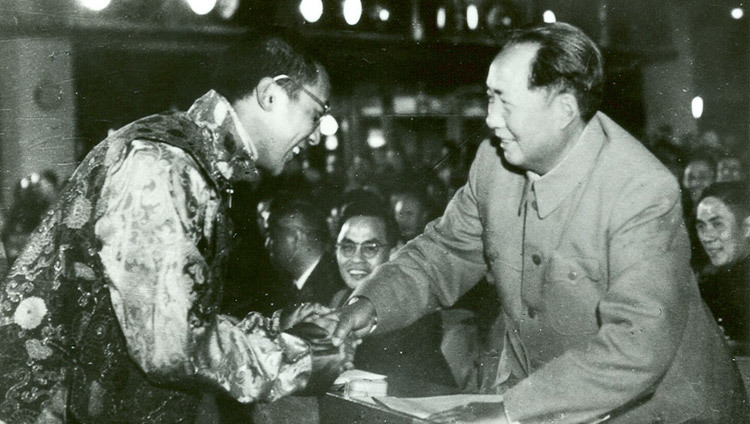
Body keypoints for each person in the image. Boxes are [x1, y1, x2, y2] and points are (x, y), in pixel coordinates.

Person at [331, 22, 748, 424]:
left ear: (564, 108)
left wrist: (512, 410)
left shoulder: (641, 189)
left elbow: (636, 342)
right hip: (548, 406)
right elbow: (443, 252)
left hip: (665, 412)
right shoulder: (493, 164)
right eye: (489, 98)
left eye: (503, 101)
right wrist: (367, 306)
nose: (490, 119)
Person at [0, 26, 353, 424]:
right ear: (271, 94)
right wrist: (300, 357)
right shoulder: (163, 164)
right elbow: (170, 346)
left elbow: (165, 310)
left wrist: (275, 330)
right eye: (316, 113)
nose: (315, 135)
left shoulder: (192, 161)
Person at [331, 195, 455, 388]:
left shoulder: (412, 314)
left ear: (395, 252)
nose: (356, 259)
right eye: (347, 247)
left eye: (370, 248)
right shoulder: (339, 300)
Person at [266, 192, 347, 307]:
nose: (268, 243)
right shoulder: (295, 285)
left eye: (273, 236)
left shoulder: (333, 290)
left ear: (296, 238)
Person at [695, 182, 750, 348]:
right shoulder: (711, 282)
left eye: (717, 224)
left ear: (747, 228)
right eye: (701, 226)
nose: (707, 237)